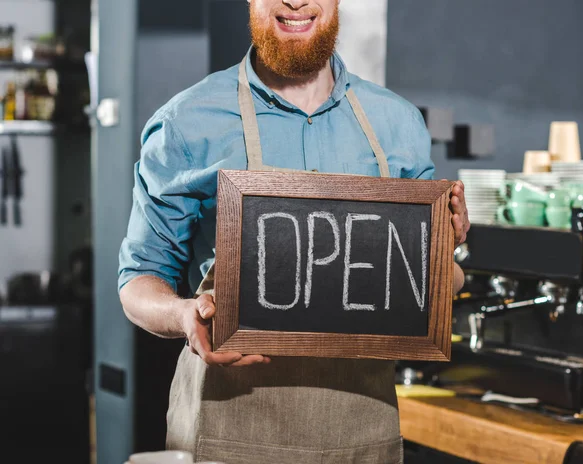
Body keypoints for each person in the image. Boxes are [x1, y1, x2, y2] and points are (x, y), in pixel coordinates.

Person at [118, 0, 470, 462]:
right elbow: (137, 281)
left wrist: (444, 253)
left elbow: (441, 282)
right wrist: (184, 314)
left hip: (363, 438)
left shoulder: (398, 124)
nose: (297, 1)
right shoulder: (186, 123)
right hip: (229, 436)